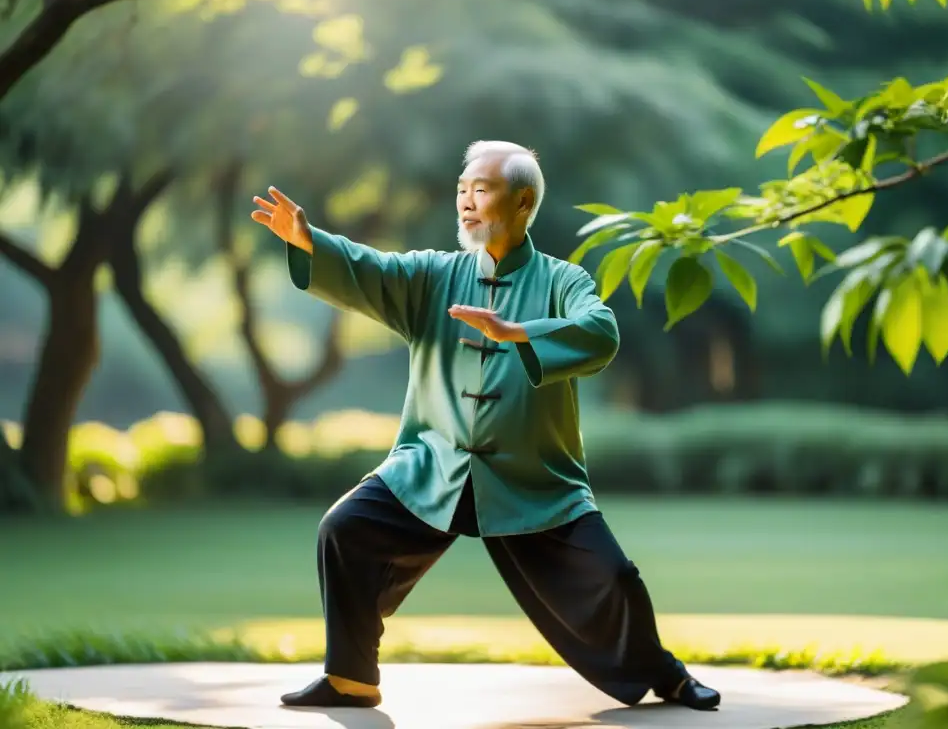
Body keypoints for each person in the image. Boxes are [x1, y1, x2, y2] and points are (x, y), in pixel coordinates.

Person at [250, 140, 721, 713]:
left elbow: (601, 332)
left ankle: (665, 675)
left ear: (523, 202)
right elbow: (369, 268)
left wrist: (519, 332)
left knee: (615, 579)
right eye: (461, 191)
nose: (467, 202)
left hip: (533, 481)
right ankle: (351, 677)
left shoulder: (561, 279)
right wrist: (310, 241)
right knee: (344, 530)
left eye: (482, 190)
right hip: (432, 468)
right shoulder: (432, 275)